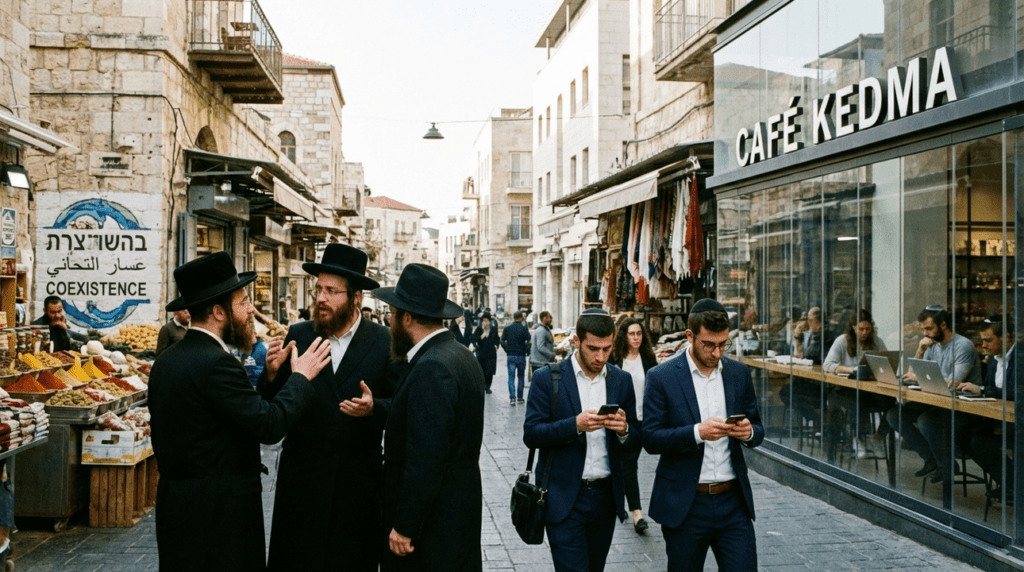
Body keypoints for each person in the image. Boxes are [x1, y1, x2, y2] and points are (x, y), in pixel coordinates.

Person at [148, 252, 332, 571]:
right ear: (219, 311)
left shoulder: (169, 360)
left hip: (179, 509)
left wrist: (271, 378)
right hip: (218, 517)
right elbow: (268, 425)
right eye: (244, 300)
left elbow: (233, 416)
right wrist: (301, 376)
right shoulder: (216, 363)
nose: (251, 310)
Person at [258, 243, 399, 572]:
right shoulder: (300, 334)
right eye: (318, 289)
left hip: (356, 485)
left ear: (356, 298)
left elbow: (400, 406)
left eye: (332, 291)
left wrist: (373, 408)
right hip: (302, 483)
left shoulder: (383, 342)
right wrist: (272, 373)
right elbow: (273, 406)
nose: (320, 298)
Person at [375, 263, 485, 571]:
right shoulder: (460, 354)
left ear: (406, 317)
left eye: (392, 315)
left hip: (433, 525)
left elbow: (426, 457)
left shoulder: (431, 367)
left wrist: (405, 524)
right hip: (456, 513)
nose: (389, 322)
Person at [643, 298, 764, 571]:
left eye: (723, 344)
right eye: (708, 344)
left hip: (733, 502)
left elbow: (757, 427)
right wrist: (698, 432)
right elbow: (650, 438)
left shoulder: (738, 373)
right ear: (690, 336)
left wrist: (748, 432)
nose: (717, 352)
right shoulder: (661, 377)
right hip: (685, 504)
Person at [523, 308, 638, 572]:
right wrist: (574, 425)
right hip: (563, 497)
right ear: (576, 341)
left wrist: (624, 430)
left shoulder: (621, 380)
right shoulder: (548, 378)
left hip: (605, 499)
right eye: (593, 349)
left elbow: (636, 441)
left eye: (607, 349)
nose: (600, 357)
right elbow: (532, 434)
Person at [885, 305, 980, 508]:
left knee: (926, 421)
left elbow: (955, 382)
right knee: (894, 415)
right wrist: (920, 350)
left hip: (961, 406)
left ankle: (947, 465)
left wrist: (918, 377)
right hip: (934, 400)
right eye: (923, 330)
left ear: (943, 325)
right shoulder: (932, 345)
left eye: (928, 329)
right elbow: (914, 373)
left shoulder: (963, 346)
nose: (925, 334)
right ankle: (931, 459)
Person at [608, 317, 658, 534]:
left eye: (639, 333)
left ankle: (621, 504)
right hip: (623, 421)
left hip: (644, 421)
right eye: (631, 334)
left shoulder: (648, 359)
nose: (636, 338)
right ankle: (636, 513)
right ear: (623, 336)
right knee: (628, 464)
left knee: (626, 465)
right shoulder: (615, 359)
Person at [822, 309, 892, 459]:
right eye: (861, 329)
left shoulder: (876, 341)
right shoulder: (842, 341)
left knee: (892, 402)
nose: (864, 333)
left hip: (869, 390)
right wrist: (850, 369)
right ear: (853, 327)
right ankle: (857, 438)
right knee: (856, 401)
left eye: (868, 329)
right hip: (845, 391)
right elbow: (827, 365)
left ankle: (878, 437)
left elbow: (887, 364)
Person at [960, 318, 1016, 503]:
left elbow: (1017, 393)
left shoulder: (1020, 357)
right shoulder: (993, 360)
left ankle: (1014, 486)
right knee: (962, 433)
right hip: (998, 419)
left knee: (980, 442)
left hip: (1017, 421)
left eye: (988, 340)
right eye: (982, 340)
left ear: (1007, 337)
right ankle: (1010, 483)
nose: (983, 345)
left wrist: (982, 390)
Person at [502, 310, 532, 405]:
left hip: (510, 355)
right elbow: (529, 341)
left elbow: (502, 341)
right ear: (521, 317)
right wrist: (527, 349)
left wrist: (507, 350)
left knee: (511, 377)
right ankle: (520, 397)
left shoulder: (507, 328)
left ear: (513, 317)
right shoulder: (523, 329)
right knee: (521, 377)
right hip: (521, 356)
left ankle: (512, 398)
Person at [473, 313, 500, 395]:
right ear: (481, 322)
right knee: (482, 370)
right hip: (481, 354)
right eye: (484, 321)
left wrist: (496, 345)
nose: (486, 322)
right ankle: (483, 385)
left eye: (487, 321)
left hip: (491, 354)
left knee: (490, 371)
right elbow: (474, 340)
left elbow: (497, 339)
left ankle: (488, 387)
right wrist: (481, 337)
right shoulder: (478, 330)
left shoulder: (493, 329)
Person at [530, 310, 555, 376]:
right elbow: (540, 347)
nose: (551, 320)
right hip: (540, 363)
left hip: (540, 362)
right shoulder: (541, 330)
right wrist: (552, 355)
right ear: (544, 319)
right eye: (550, 317)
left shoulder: (542, 329)